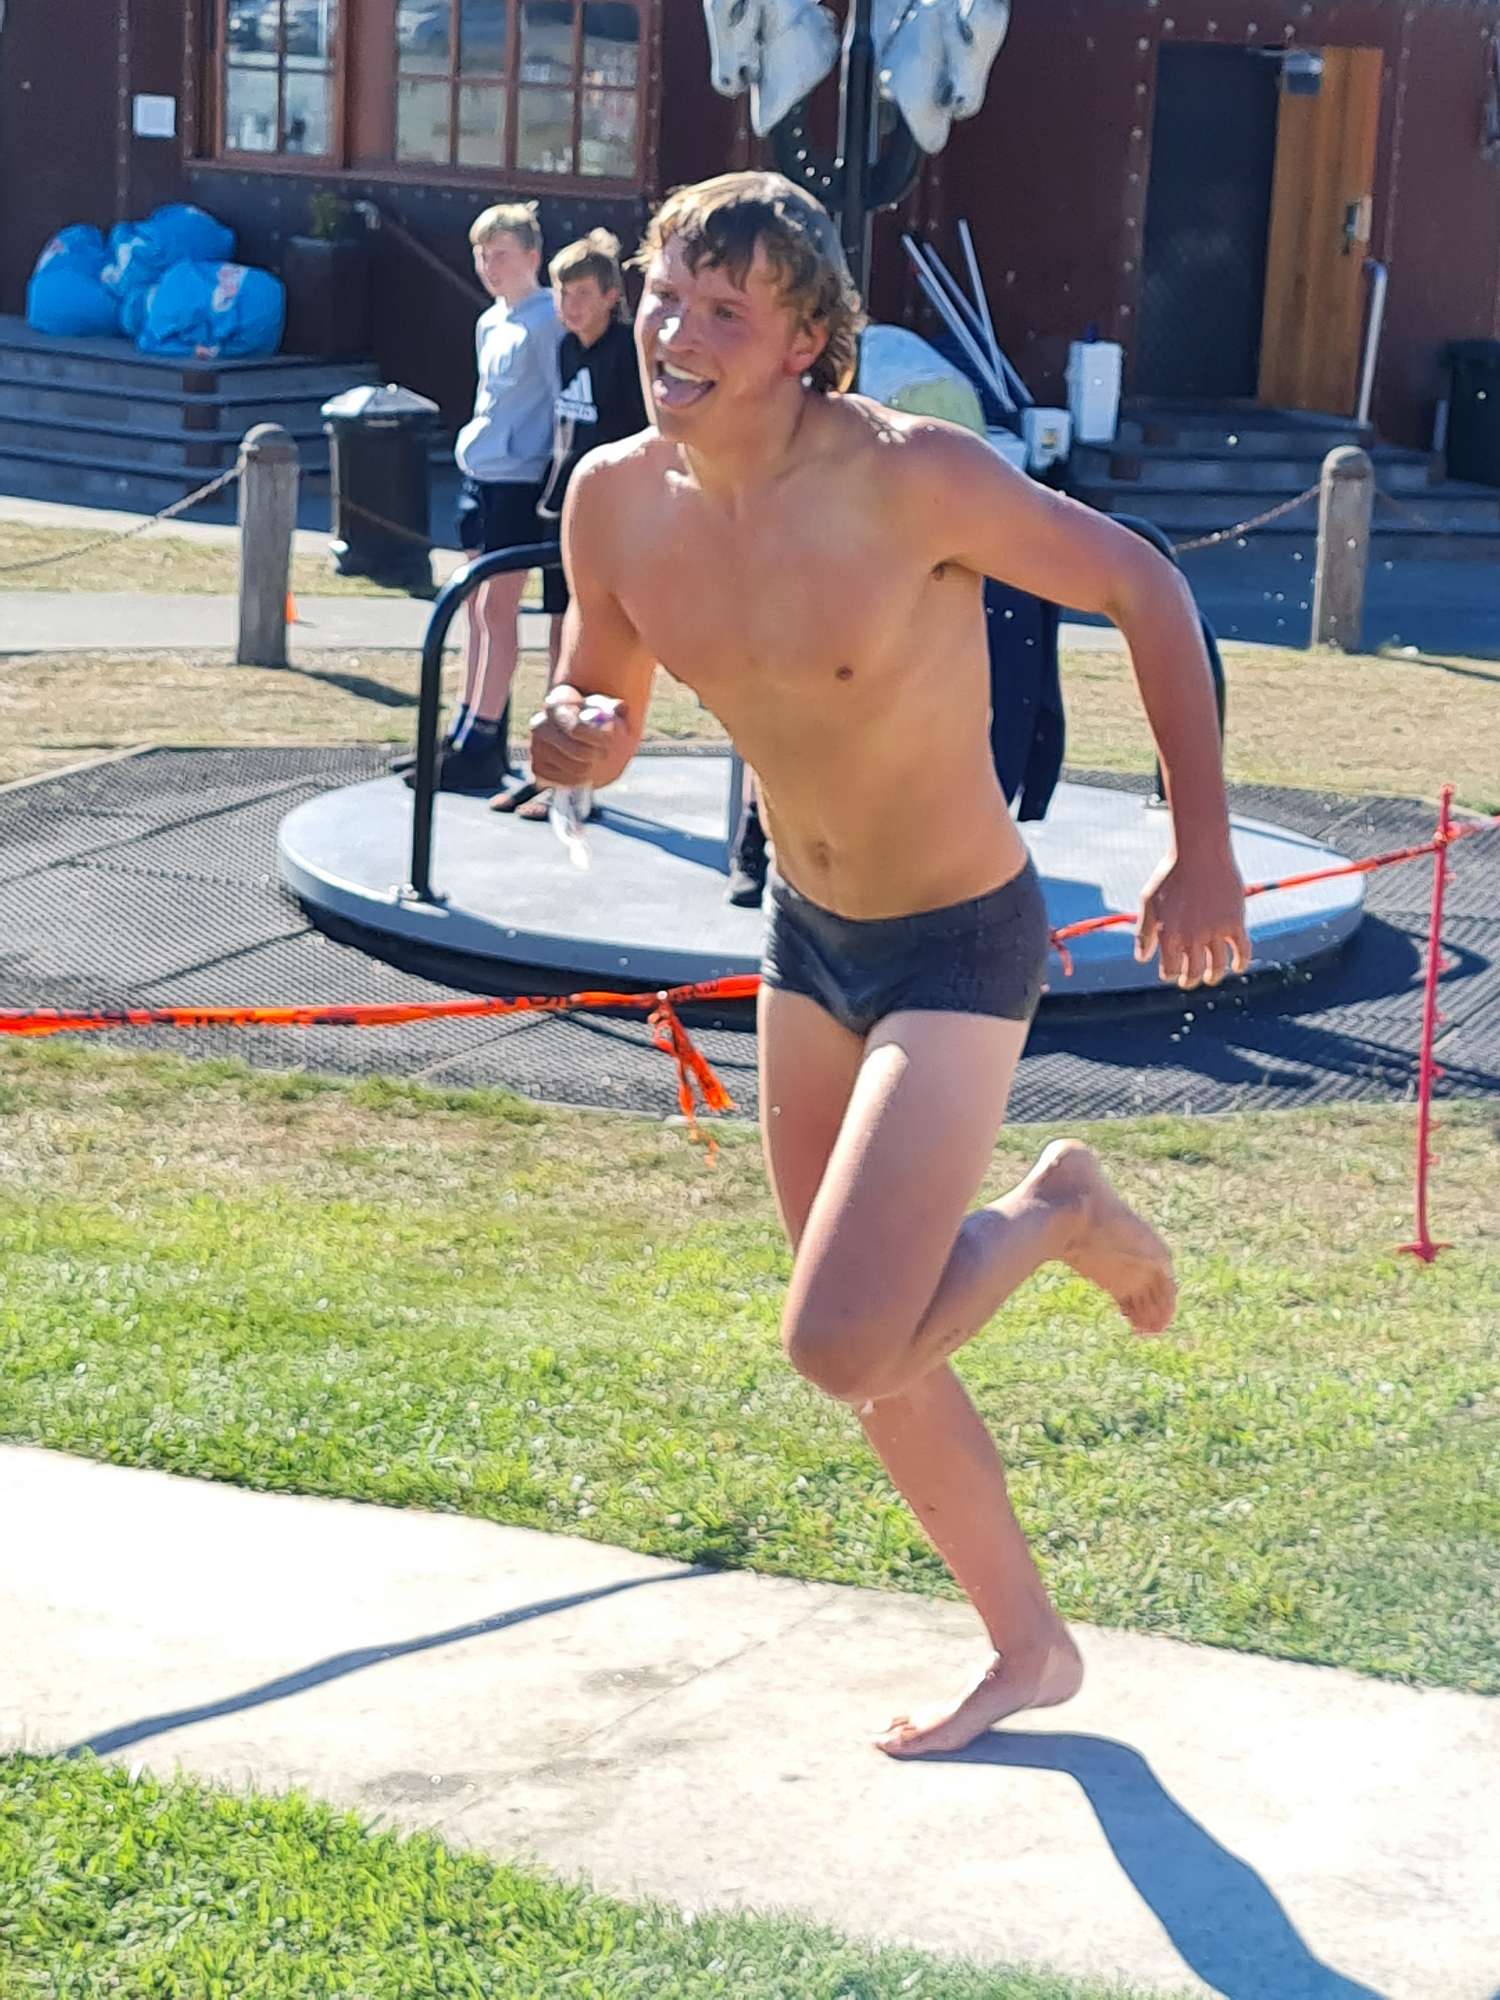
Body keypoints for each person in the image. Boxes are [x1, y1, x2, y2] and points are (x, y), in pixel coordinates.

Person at [528, 172, 1250, 1759]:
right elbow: (603, 702)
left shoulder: (912, 477)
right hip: (807, 937)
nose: (674, 335)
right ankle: (1029, 1647)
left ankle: (1060, 1214)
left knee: (843, 1338)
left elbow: (1145, 584)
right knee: (881, 1345)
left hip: (959, 940)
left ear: (806, 342)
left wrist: (1200, 845)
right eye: (665, 298)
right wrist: (571, 739)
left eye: (724, 313)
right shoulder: (613, 500)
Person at [493, 227, 649, 820]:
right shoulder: (565, 349)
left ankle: (581, 782)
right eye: (562, 292)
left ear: (611, 296)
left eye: (583, 292)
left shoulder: (625, 356)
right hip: (561, 509)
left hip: (612, 520)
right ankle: (549, 771)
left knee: (592, 650)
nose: (570, 304)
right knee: (558, 638)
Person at [410, 200, 560, 795]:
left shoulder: (548, 320)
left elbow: (559, 402)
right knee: (473, 607)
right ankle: (467, 724)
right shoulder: (490, 322)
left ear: (532, 256)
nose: (489, 267)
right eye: (481, 256)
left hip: (518, 482)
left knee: (500, 609)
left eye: (500, 255)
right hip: (481, 472)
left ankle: (483, 736)